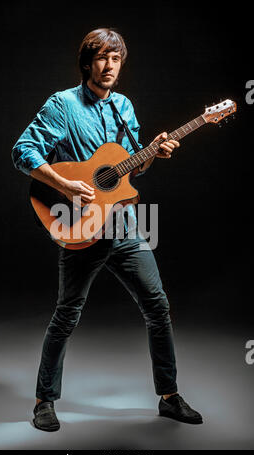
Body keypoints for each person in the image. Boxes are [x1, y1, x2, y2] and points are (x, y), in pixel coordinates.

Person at [12, 28, 203, 431]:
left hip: (126, 227)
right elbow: (22, 151)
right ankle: (43, 401)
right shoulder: (62, 105)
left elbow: (129, 168)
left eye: (116, 59)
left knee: (158, 307)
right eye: (102, 58)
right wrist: (63, 184)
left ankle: (169, 397)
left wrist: (154, 153)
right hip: (80, 227)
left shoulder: (124, 107)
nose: (110, 66)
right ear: (87, 62)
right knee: (67, 314)